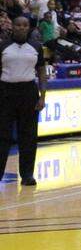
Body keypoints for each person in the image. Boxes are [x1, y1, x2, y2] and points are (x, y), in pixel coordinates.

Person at [0, 17, 48, 186]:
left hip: (29, 92)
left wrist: (43, 96)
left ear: (29, 28)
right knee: (2, 136)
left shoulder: (36, 47)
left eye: (25, 25)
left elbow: (42, 71)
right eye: (18, 25)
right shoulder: (3, 45)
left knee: (28, 136)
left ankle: (27, 175)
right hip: (5, 92)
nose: (21, 28)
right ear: (12, 26)